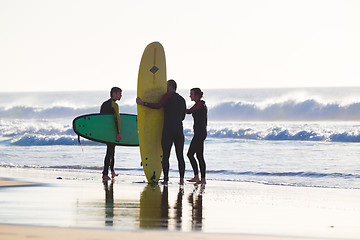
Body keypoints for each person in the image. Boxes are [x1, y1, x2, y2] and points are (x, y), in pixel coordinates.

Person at [136, 79, 186, 185]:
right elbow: (183, 117)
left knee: (166, 155)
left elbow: (158, 105)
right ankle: (181, 180)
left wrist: (143, 103)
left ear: (170, 86)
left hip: (168, 129)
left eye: (166, 85)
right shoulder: (182, 99)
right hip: (179, 130)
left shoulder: (167, 96)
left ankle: (166, 179)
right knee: (180, 156)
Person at [100, 87, 122, 181]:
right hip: (112, 132)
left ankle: (112, 171)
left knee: (111, 151)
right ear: (114, 93)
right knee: (110, 152)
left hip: (106, 132)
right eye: (119, 93)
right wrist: (118, 133)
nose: (121, 95)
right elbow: (116, 119)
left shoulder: (104, 104)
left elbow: (101, 119)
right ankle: (105, 173)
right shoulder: (114, 105)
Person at [186, 88, 207, 184]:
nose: (190, 96)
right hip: (200, 133)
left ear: (197, 95)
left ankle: (200, 178)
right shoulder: (199, 104)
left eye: (191, 94)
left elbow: (189, 111)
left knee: (190, 154)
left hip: (199, 134)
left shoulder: (200, 104)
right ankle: (199, 178)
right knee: (199, 156)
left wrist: (178, 108)